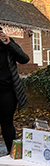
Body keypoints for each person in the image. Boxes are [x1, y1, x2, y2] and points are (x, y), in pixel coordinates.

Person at [0, 27, 30, 155]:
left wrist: (9, 43)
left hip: (6, 90)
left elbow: (25, 58)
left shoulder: (7, 44)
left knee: (7, 122)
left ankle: (12, 153)